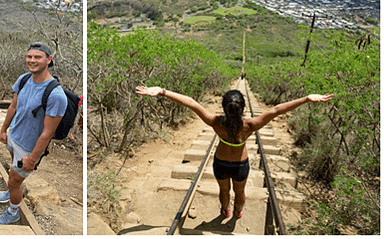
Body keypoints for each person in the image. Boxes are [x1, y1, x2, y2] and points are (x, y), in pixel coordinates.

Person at [135, 86, 333, 219]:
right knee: (240, 191)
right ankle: (238, 211)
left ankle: (225, 210)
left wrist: (162, 91)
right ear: (243, 108)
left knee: (223, 191)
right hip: (240, 166)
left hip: (220, 163)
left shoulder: (215, 122)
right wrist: (307, 99)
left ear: (224, 107)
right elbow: (277, 110)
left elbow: (192, 103)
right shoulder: (250, 125)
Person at [0, 42, 67, 225]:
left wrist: (32, 159)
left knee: (14, 180)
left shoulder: (56, 95)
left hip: (28, 147)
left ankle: (13, 211)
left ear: (49, 60)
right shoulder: (25, 79)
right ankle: (13, 188)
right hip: (14, 136)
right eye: (29, 57)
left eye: (37, 57)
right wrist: (4, 129)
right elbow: (13, 106)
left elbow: (47, 133)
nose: (32, 60)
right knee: (13, 171)